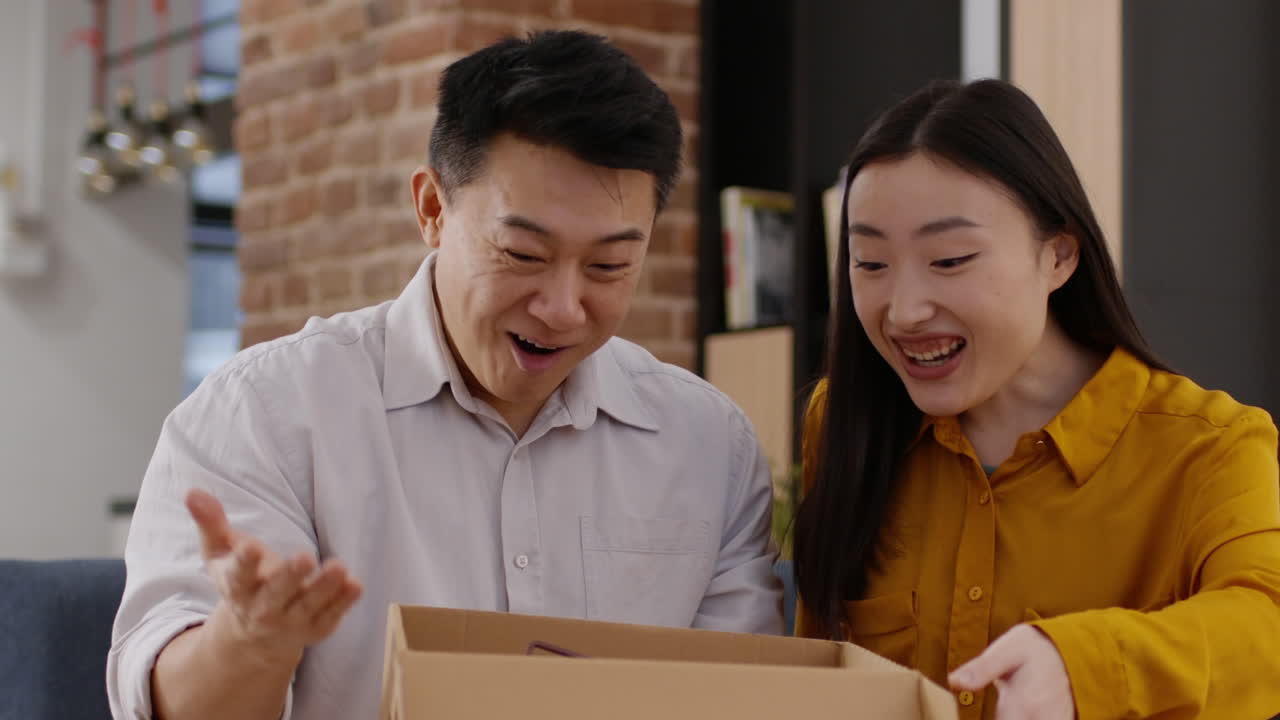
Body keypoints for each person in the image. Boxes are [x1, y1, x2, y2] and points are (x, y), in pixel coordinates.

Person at [109, 30, 781, 720]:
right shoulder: (266, 412)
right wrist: (250, 641)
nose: (562, 308)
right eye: (523, 254)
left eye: (609, 267)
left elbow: (737, 695)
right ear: (432, 209)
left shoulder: (708, 444)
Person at [792, 78, 1280, 720]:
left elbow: (1265, 622)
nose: (904, 311)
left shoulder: (1212, 446)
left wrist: (1083, 665)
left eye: (950, 259)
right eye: (870, 264)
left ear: (1059, 256)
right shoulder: (844, 421)